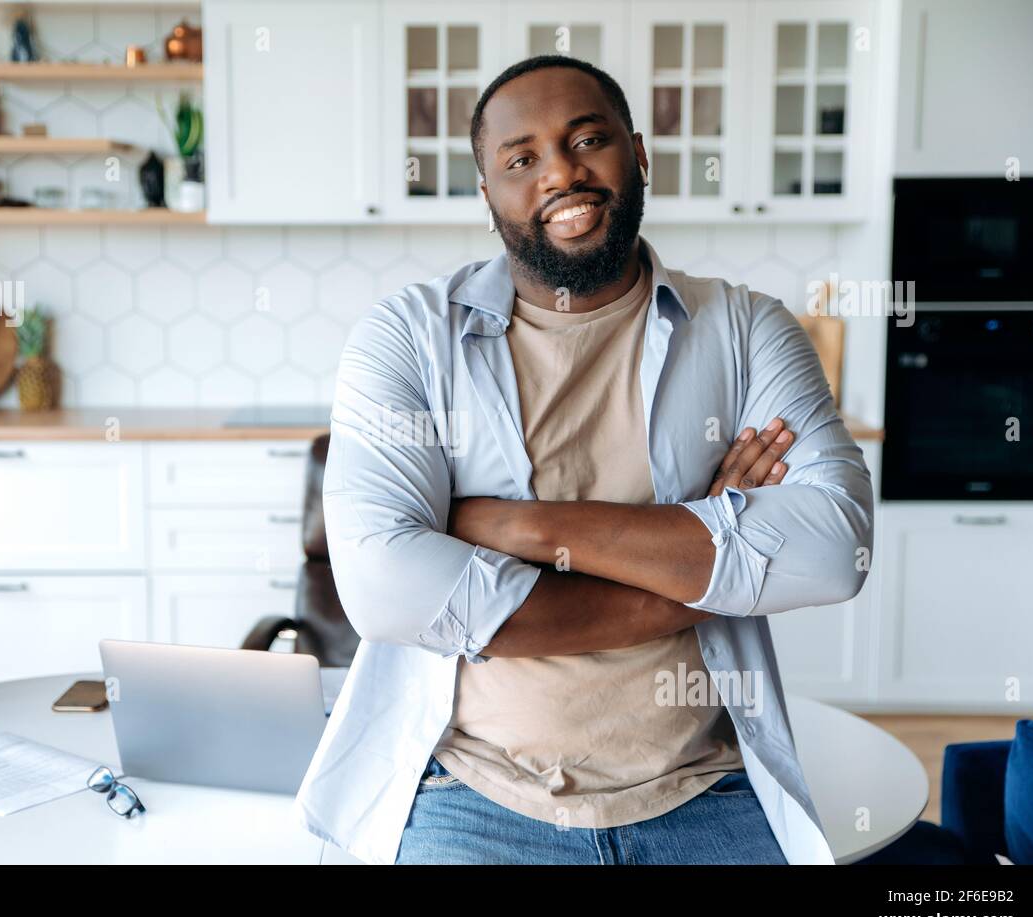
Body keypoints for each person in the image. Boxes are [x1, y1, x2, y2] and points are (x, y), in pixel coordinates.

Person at [292, 55, 874, 865]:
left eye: (588, 139)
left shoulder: (746, 330)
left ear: (638, 156)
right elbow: (387, 588)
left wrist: (515, 526)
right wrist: (704, 566)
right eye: (521, 159)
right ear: (488, 191)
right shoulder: (409, 339)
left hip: (706, 791)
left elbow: (832, 549)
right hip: (472, 796)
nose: (562, 172)